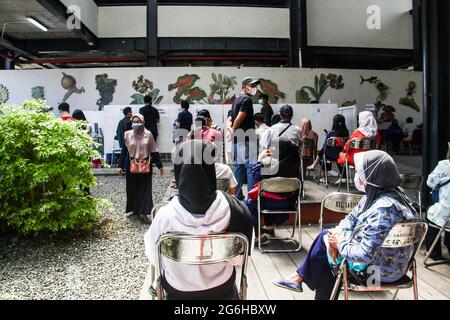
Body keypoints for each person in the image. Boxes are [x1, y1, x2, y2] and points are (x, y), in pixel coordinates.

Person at [273, 150, 417, 300]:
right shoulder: (391, 196)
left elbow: (364, 254)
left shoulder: (382, 210)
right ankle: (298, 277)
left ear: (373, 176)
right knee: (328, 248)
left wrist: (339, 243)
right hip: (397, 268)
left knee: (328, 254)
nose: (358, 176)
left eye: (361, 172)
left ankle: (299, 277)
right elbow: (352, 218)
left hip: (377, 273)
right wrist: (336, 235)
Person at [144, 140, 253, 300]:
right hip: (222, 288)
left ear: (178, 169)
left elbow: (155, 257)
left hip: (178, 290)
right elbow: (241, 259)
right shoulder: (234, 210)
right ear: (209, 168)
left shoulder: (165, 215)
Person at [245, 137, 300, 243]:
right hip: (287, 204)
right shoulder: (295, 168)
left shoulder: (271, 171)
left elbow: (255, 177)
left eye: (275, 147)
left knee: (252, 202)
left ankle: (256, 236)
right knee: (269, 195)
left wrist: (260, 160)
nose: (272, 149)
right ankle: (269, 227)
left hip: (268, 204)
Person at [119, 114, 164, 223]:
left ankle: (144, 212)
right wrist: (120, 165)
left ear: (143, 122)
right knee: (132, 187)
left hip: (145, 164)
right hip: (131, 163)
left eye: (138, 121)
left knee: (145, 189)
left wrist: (160, 166)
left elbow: (154, 150)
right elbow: (124, 151)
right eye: (134, 121)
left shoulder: (148, 134)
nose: (136, 123)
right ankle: (134, 209)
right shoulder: (127, 134)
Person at [229, 77, 259, 200]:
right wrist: (234, 128)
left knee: (238, 166)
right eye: (252, 85)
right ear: (245, 86)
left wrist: (231, 130)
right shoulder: (247, 99)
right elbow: (240, 117)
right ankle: (251, 197)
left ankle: (236, 194)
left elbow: (230, 117)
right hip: (247, 137)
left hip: (237, 138)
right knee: (251, 167)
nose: (254, 88)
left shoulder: (236, 99)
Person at [337, 111, 380, 184]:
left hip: (355, 159)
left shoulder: (357, 132)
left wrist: (344, 151)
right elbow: (377, 146)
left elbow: (347, 146)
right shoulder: (376, 133)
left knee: (341, 155)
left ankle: (346, 178)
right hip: (371, 159)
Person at [425, 145, 450, 260]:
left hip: (446, 213)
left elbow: (430, 182)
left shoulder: (445, 165)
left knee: (432, 214)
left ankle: (434, 253)